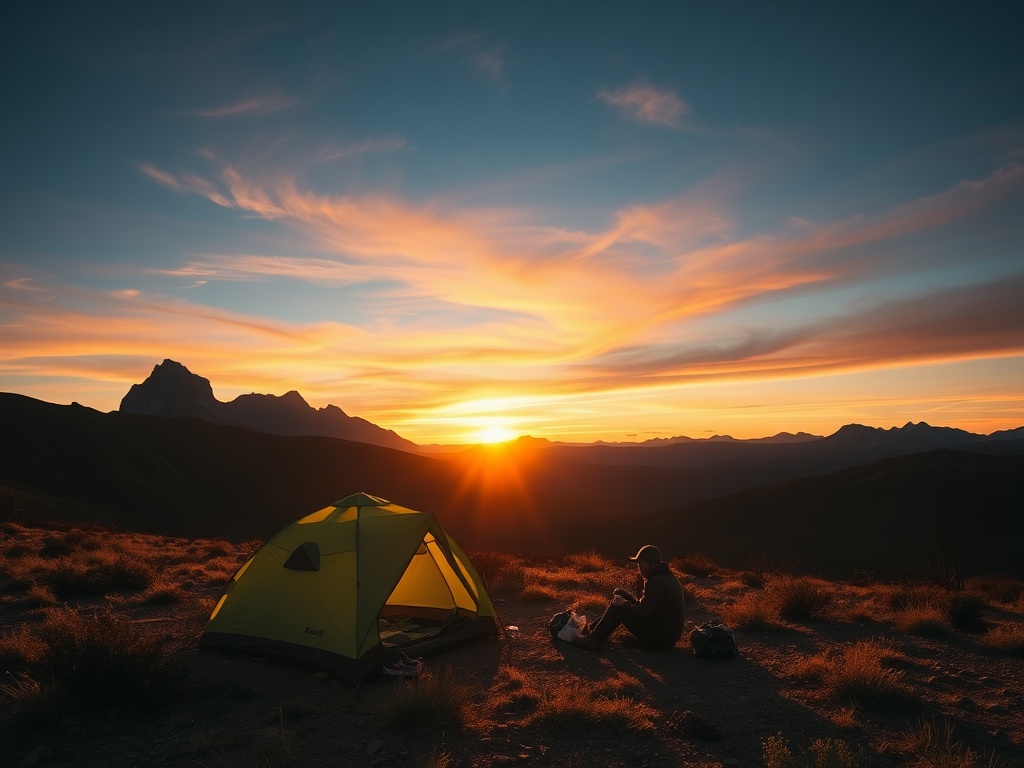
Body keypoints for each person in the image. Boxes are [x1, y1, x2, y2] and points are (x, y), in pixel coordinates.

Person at [574, 544, 685, 652]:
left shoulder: (656, 582)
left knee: (618, 607)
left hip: (660, 639)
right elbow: (647, 607)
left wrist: (623, 603)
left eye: (640, 564)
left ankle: (594, 641)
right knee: (619, 600)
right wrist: (627, 597)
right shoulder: (666, 576)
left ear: (650, 563)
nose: (639, 568)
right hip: (664, 634)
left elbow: (641, 612)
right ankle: (594, 630)